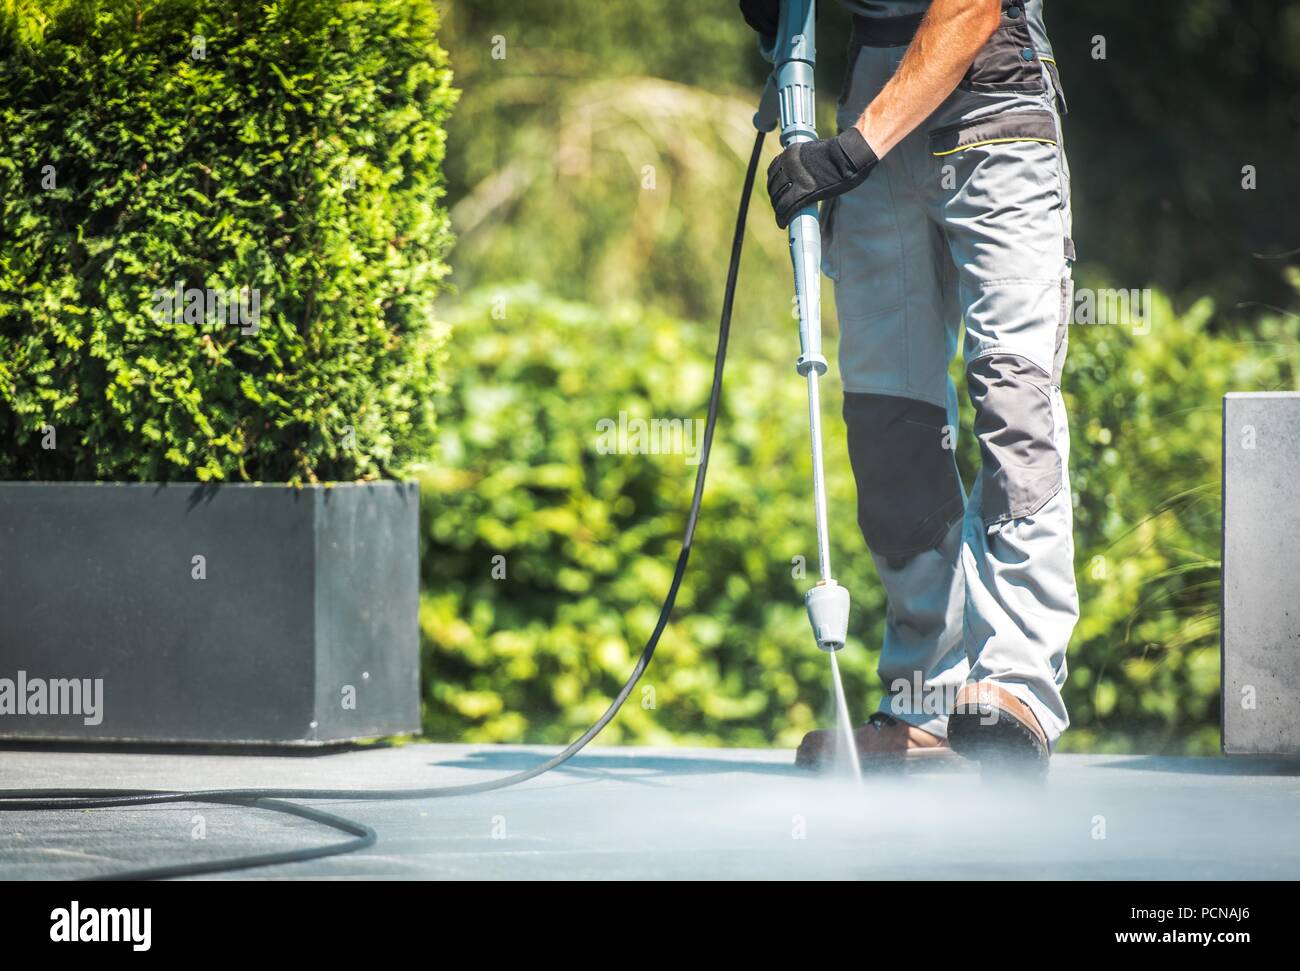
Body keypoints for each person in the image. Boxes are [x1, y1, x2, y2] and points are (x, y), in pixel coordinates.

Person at [742, 0, 1077, 771]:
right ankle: (926, 701)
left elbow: (970, 10)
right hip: (873, 89)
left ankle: (1016, 683)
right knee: (890, 418)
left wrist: (851, 151)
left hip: (994, 97)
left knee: (1011, 396)